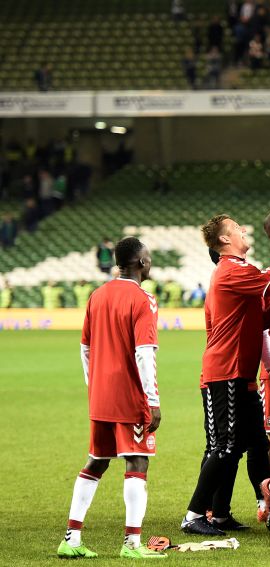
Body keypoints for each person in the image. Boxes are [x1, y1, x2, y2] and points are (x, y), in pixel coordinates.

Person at [57, 237, 164, 559]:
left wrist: (95, 387)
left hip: (100, 396)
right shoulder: (143, 299)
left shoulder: (97, 295)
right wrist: (153, 400)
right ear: (140, 263)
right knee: (137, 460)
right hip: (129, 396)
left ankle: (71, 539)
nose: (150, 261)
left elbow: (85, 348)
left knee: (97, 461)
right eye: (147, 257)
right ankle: (132, 544)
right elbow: (144, 352)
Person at [182, 215, 270, 536]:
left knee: (251, 442)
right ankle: (195, 514)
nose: (243, 229)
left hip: (240, 375)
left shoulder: (235, 273)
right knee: (223, 446)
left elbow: (261, 318)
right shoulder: (234, 270)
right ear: (225, 240)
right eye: (237, 228)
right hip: (223, 373)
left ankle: (223, 513)